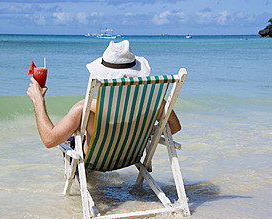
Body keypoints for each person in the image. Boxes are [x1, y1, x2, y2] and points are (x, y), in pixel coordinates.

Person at [27, 40, 181, 153]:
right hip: (128, 156)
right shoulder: (153, 103)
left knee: (72, 141)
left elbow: (49, 140)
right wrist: (143, 131)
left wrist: (38, 100)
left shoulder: (86, 107)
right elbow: (175, 127)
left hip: (97, 160)